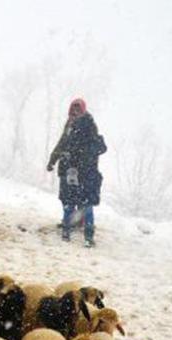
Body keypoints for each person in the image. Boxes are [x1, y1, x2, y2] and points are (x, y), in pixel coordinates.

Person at [47, 98, 106, 247]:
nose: (75, 112)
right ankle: (68, 228)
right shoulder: (70, 123)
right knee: (70, 200)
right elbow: (62, 143)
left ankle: (87, 235)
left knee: (85, 203)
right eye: (73, 109)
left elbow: (89, 148)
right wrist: (53, 159)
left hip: (84, 171)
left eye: (77, 109)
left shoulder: (88, 125)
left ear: (83, 110)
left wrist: (78, 158)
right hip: (71, 169)